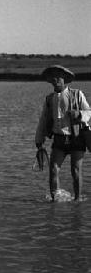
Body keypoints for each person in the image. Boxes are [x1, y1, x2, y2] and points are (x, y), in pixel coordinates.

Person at [35, 65, 91, 201]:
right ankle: (55, 200)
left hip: (77, 138)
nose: (55, 79)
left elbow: (89, 112)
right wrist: (39, 139)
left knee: (75, 170)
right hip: (59, 139)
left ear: (64, 78)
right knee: (53, 169)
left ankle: (77, 200)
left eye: (58, 76)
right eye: (52, 77)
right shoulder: (49, 99)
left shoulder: (77, 94)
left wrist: (79, 114)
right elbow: (43, 120)